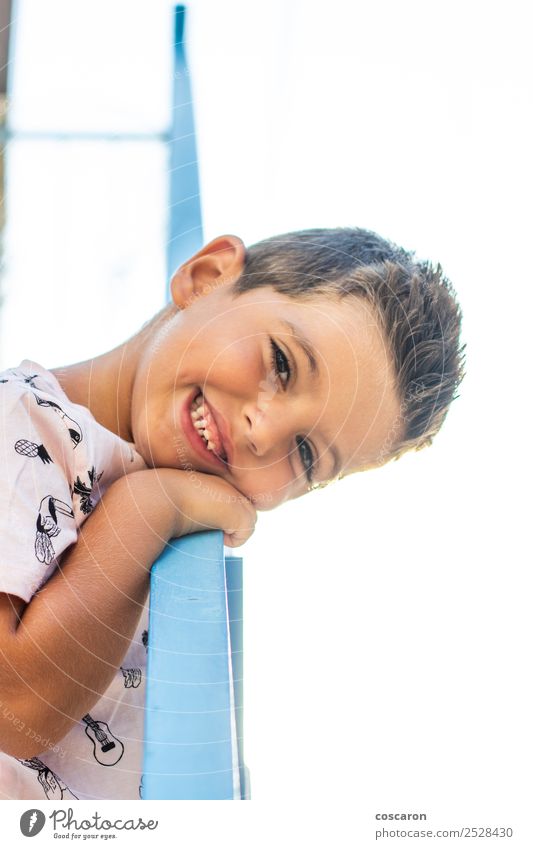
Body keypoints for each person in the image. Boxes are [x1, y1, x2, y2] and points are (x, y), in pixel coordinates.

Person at [0, 227, 465, 799]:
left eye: (305, 453)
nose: (264, 430)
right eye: (283, 364)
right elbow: (12, 701)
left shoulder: (172, 554)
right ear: (207, 277)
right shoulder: (15, 418)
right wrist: (148, 509)